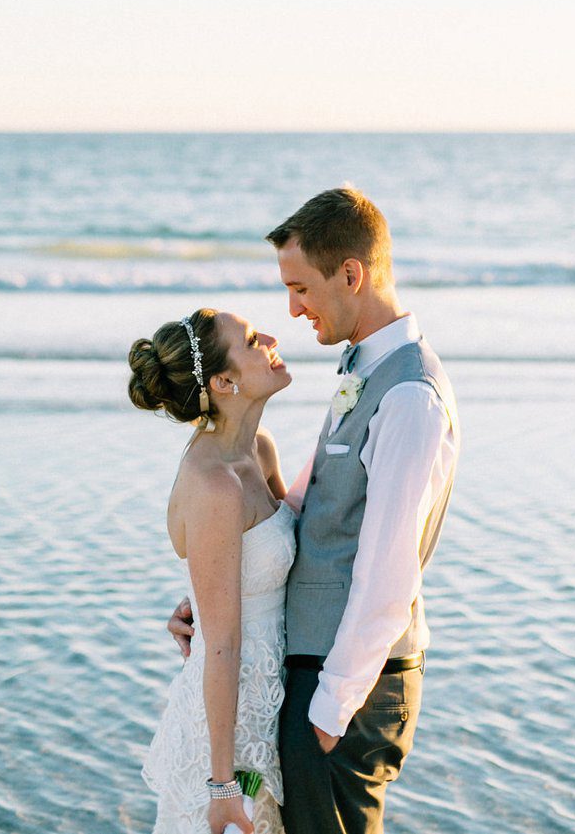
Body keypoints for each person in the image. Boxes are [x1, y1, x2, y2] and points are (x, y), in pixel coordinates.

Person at [169, 188, 461, 834]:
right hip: (303, 680)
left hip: (343, 692)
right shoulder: (366, 370)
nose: (292, 308)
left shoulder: (409, 396)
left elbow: (389, 573)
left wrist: (329, 712)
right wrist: (220, 597)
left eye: (300, 287)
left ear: (350, 273)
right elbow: (307, 510)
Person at [129, 307, 295, 834]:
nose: (270, 338)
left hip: (275, 702)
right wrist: (222, 787)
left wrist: (192, 605)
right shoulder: (213, 484)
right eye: (251, 340)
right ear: (224, 381)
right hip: (229, 729)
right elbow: (220, 644)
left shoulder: (259, 452)